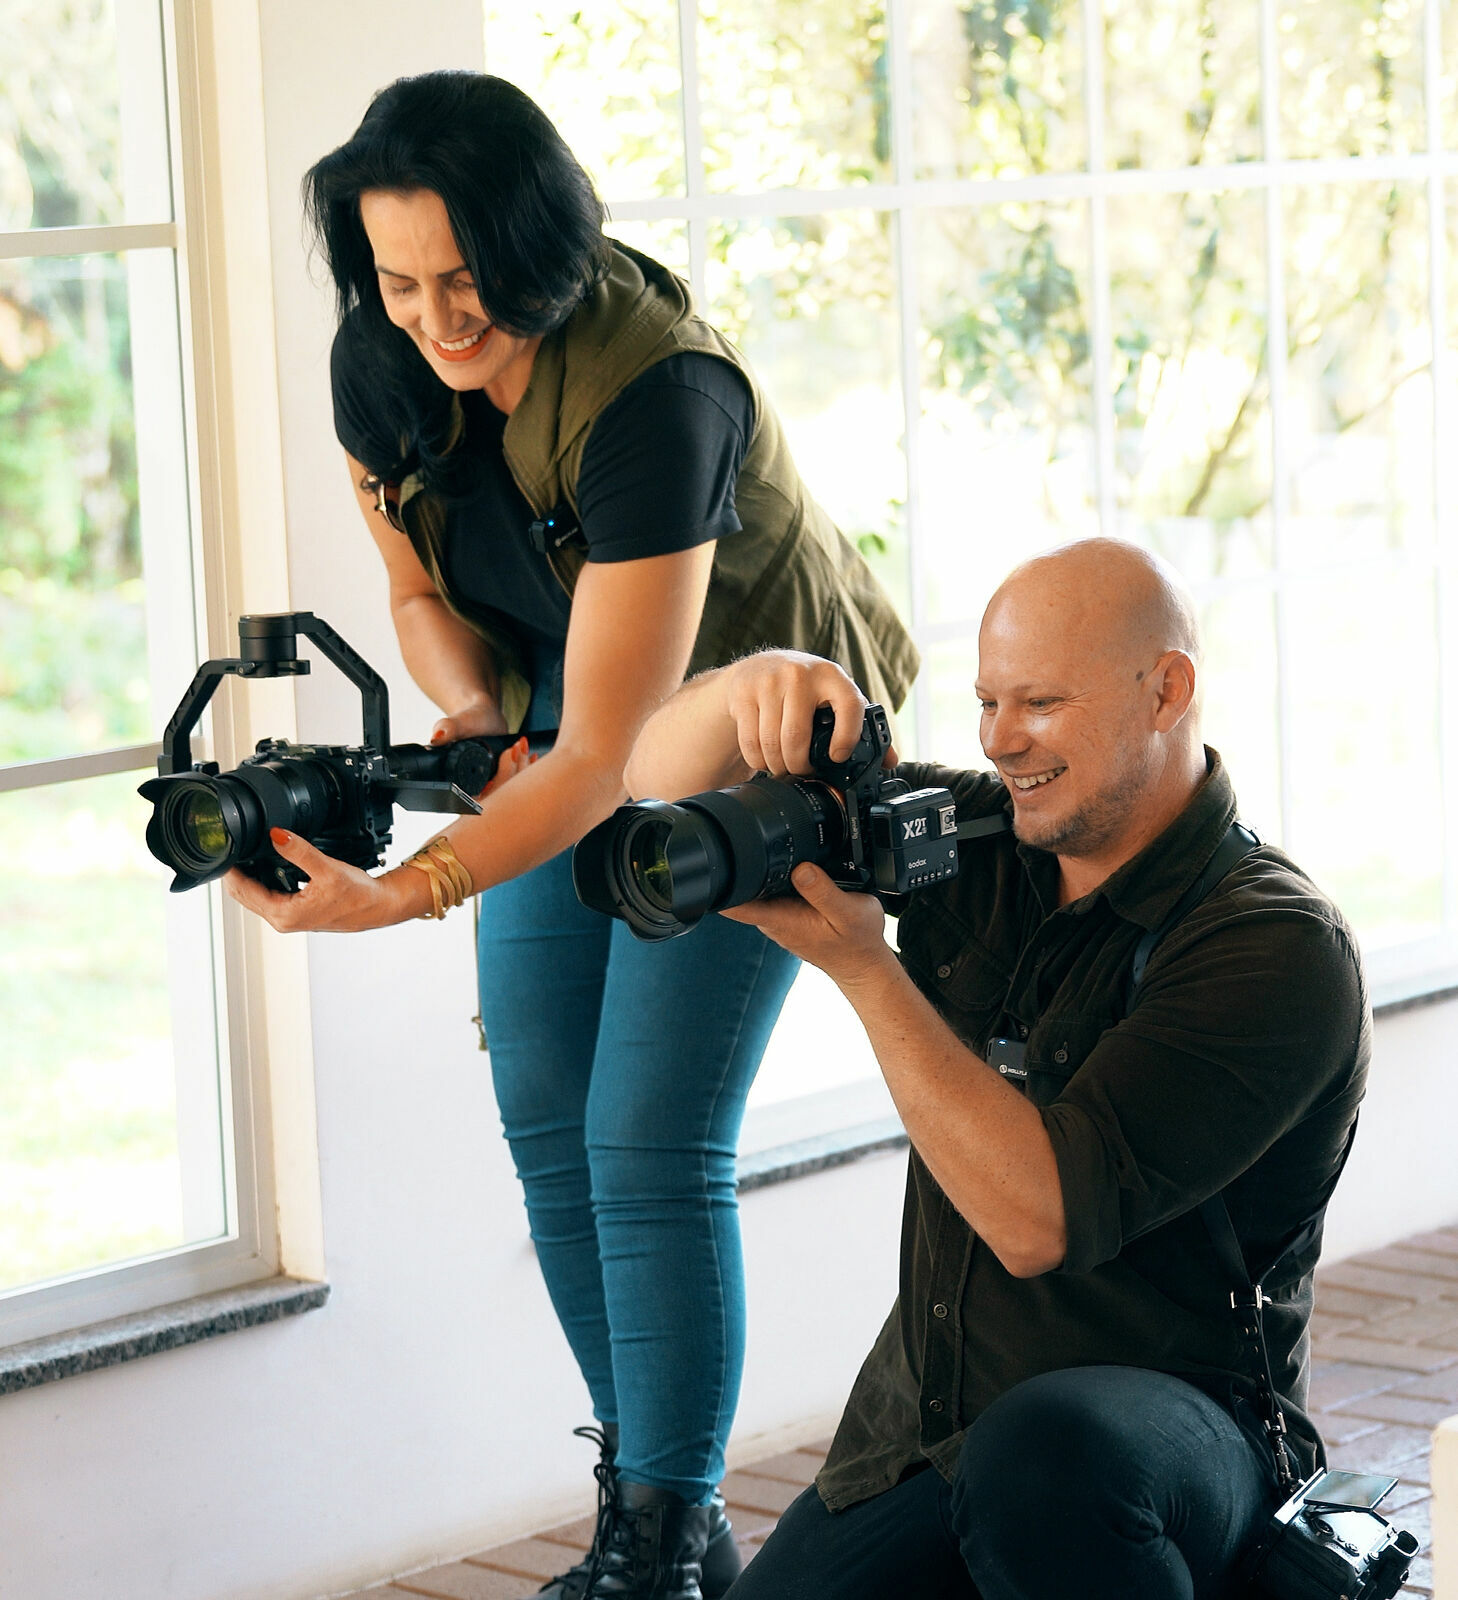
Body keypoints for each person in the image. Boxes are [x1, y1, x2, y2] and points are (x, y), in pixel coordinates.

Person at [228, 71, 917, 1600]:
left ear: (541, 242)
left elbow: (617, 753)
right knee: (549, 1119)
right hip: (572, 727)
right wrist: (465, 687)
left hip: (753, 737)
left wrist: (402, 897)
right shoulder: (383, 363)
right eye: (398, 281)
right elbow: (417, 590)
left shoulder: (656, 392)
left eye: (464, 280)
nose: (433, 318)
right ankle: (651, 1503)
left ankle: (662, 1546)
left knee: (646, 1140)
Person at [623, 537, 1370, 1600]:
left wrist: (868, 972)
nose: (1000, 740)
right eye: (986, 702)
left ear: (1168, 691)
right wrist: (754, 684)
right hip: (927, 1439)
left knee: (1046, 1458)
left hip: (1168, 1444)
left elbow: (1038, 1219)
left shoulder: (1274, 945)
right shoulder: (973, 839)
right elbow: (654, 784)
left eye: (1041, 703)